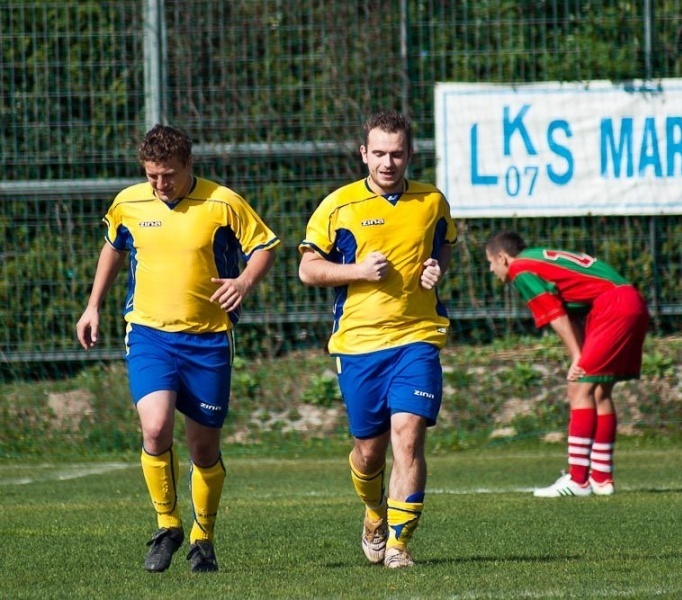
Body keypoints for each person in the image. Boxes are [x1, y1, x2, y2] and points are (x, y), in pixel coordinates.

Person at [75, 124, 279, 573]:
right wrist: (93, 306)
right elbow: (113, 248)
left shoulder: (222, 203)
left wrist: (244, 281)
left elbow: (264, 247)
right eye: (152, 175)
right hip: (150, 335)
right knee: (155, 428)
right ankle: (167, 525)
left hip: (208, 340)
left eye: (168, 174)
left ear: (188, 164)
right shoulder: (129, 203)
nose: (160, 183)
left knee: (203, 448)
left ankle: (203, 539)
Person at [298, 110, 456, 568]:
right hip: (359, 345)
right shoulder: (338, 206)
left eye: (397, 154)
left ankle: (399, 546)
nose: (388, 163)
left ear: (410, 154)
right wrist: (358, 271)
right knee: (369, 454)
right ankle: (373, 512)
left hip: (417, 337)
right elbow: (308, 269)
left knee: (408, 438)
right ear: (364, 154)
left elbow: (444, 244)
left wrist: (437, 268)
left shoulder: (431, 201)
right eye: (380, 154)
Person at [484, 231, 649, 498]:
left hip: (612, 307)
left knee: (578, 387)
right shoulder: (537, 258)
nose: (491, 269)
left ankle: (578, 481)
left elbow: (556, 315)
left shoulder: (520, 268)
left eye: (490, 262)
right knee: (599, 391)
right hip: (631, 300)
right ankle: (602, 479)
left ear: (502, 257)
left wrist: (576, 357)